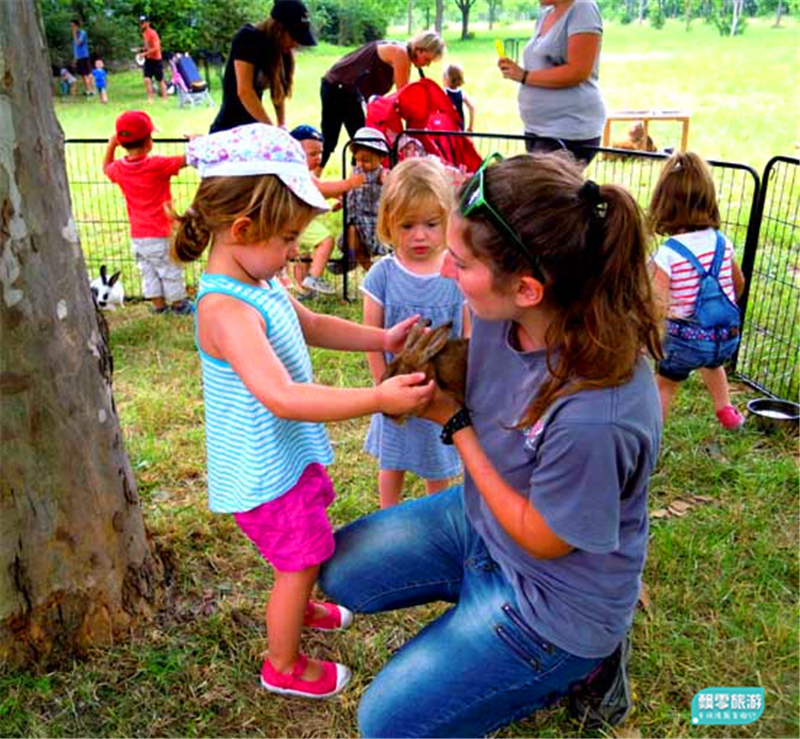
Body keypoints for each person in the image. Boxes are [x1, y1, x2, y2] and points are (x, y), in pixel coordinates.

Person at [320, 151, 663, 737]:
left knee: (387, 725)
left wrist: (456, 424)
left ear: (526, 288)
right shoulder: (506, 314)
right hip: (483, 520)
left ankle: (588, 665)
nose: (446, 272)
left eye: (461, 263)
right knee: (338, 570)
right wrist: (417, 374)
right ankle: (476, 615)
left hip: (552, 599)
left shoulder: (597, 415)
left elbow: (543, 538)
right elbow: (471, 381)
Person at [171, 123, 434, 700]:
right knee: (297, 562)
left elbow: (311, 324)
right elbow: (283, 396)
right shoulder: (225, 309)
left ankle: (302, 604)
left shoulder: (260, 281)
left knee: (306, 549)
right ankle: (283, 665)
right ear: (243, 229)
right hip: (263, 475)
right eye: (288, 237)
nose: (296, 250)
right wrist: (377, 398)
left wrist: (383, 339)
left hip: (284, 460)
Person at [362, 158, 469, 509]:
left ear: (448, 220)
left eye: (431, 224)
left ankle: (436, 517)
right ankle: (386, 515)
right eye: (407, 225)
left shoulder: (456, 273)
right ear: (388, 222)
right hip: (395, 390)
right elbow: (371, 337)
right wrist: (382, 389)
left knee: (437, 461)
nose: (419, 235)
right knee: (392, 461)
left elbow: (467, 336)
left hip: (440, 393)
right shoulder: (383, 275)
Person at [648, 151, 746, 429]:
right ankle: (727, 412)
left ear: (663, 204)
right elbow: (738, 284)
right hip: (723, 338)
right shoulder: (722, 242)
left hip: (684, 343)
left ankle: (652, 433)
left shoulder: (668, 254)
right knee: (713, 363)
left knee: (665, 384)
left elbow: (658, 304)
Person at [103, 111, 193, 315]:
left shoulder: (119, 169)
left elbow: (106, 167)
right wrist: (194, 142)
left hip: (138, 235)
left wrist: (111, 145)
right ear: (148, 142)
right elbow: (187, 159)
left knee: (148, 272)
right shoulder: (157, 165)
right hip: (161, 232)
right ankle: (179, 305)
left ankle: (159, 306)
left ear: (121, 142)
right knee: (170, 270)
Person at [497, 0, 606, 165]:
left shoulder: (583, 8)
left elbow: (578, 71)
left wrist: (524, 76)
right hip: (537, 129)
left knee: (543, 181)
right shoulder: (546, 14)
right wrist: (515, 71)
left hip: (568, 129)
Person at [319, 31, 445, 169]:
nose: (427, 65)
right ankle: (315, 177)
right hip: (339, 87)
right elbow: (403, 96)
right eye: (427, 59)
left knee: (363, 140)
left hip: (346, 89)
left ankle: (357, 177)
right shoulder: (400, 54)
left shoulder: (402, 52)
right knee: (353, 140)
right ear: (419, 50)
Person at [210, 0, 315, 133]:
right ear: (279, 29)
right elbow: (245, 92)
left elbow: (278, 91)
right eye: (293, 37)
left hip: (253, 128)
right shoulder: (247, 38)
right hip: (228, 129)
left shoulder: (280, 49)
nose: (295, 44)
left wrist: (281, 124)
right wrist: (272, 130)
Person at [290, 124, 366, 300]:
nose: (318, 158)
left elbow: (318, 192)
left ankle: (304, 291)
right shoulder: (300, 172)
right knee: (326, 241)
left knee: (303, 255)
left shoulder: (299, 172)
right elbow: (322, 188)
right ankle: (313, 279)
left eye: (320, 153)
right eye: (312, 154)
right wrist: (350, 183)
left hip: (294, 219)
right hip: (298, 220)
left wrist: (335, 195)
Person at [340, 127, 390, 272]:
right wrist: (342, 200)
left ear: (381, 157)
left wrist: (385, 183)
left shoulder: (382, 174)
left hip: (372, 221)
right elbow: (350, 190)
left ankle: (370, 270)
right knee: (352, 235)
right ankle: (353, 259)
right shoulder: (356, 171)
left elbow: (390, 192)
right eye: (357, 160)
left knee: (354, 234)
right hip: (354, 217)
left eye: (366, 160)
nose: (360, 164)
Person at [138, 16, 168, 102]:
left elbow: (156, 47)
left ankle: (165, 98)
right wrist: (141, 49)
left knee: (160, 79)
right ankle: (150, 98)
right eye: (140, 23)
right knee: (147, 79)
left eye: (143, 23)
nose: (141, 24)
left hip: (156, 59)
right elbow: (148, 46)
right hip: (148, 59)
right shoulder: (144, 34)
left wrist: (145, 53)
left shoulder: (153, 33)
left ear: (148, 23)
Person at [443, 63, 476, 132]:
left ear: (446, 79)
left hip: (446, 127)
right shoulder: (462, 93)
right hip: (459, 126)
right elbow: (472, 108)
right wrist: (471, 127)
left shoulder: (443, 93)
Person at [69, 19, 94, 96]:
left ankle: (92, 90)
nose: (72, 28)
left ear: (77, 26)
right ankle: (87, 90)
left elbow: (78, 43)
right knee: (83, 75)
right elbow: (75, 48)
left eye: (73, 26)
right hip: (79, 58)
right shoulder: (75, 35)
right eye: (71, 26)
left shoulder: (82, 33)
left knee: (88, 74)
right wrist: (75, 58)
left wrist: (74, 34)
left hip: (84, 56)